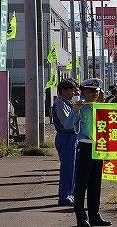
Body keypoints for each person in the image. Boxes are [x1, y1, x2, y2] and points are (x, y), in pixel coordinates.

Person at [64, 78, 112, 227]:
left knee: (95, 184)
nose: (94, 94)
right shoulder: (80, 106)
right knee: (81, 185)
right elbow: (67, 125)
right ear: (84, 92)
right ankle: (81, 218)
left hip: (99, 148)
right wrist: (75, 110)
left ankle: (95, 215)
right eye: (91, 91)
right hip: (84, 147)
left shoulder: (100, 108)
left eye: (96, 91)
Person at [52, 78, 79, 206]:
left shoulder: (66, 102)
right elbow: (67, 124)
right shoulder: (61, 104)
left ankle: (69, 193)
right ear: (63, 90)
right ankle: (64, 196)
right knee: (68, 168)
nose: (73, 93)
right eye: (71, 91)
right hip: (66, 136)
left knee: (72, 168)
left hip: (70, 137)